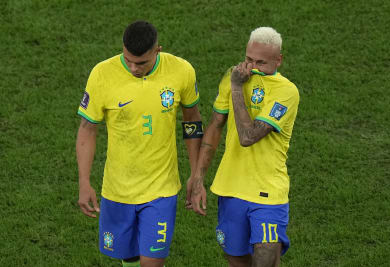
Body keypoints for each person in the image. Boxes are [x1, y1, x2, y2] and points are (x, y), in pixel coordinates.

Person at [76, 20, 203, 267]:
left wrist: (196, 174)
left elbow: (192, 121)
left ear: (158, 50)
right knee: (129, 258)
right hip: (117, 188)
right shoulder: (102, 74)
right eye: (128, 60)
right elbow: (87, 129)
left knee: (151, 263)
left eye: (141, 63)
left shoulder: (181, 71)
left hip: (161, 189)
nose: (133, 68)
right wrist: (84, 181)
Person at [186, 27, 299, 267]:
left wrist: (237, 88)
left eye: (261, 62)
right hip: (231, 188)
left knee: (266, 258)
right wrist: (198, 178)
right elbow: (216, 126)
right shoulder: (232, 74)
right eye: (249, 59)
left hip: (268, 191)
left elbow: (248, 136)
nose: (252, 67)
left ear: (278, 60)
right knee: (236, 259)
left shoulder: (286, 91)